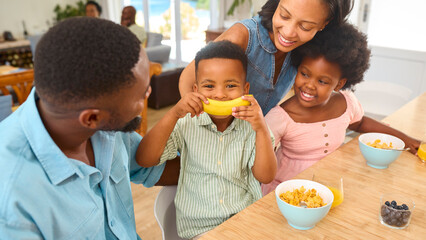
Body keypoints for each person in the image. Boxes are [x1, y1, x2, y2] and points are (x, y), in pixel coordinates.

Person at [0, 17, 179, 239]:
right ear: (92, 118)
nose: (148, 93)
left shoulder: (105, 126)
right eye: (142, 94)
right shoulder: (11, 203)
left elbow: (150, 166)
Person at [137, 40, 277, 239]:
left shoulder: (253, 126)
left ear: (245, 90)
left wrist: (261, 129)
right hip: (199, 229)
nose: (220, 95)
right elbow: (144, 159)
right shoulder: (186, 122)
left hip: (245, 222)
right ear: (196, 90)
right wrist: (174, 113)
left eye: (230, 85)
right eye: (209, 86)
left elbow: (266, 176)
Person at [261, 22, 421, 195]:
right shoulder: (280, 117)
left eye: (322, 81)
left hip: (329, 186)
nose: (309, 85)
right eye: (305, 74)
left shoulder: (346, 102)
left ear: (339, 84)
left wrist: (408, 140)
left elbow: (360, 124)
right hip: (287, 192)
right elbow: (261, 163)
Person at [179, 0, 354, 115]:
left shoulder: (307, 51)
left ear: (324, 24)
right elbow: (187, 79)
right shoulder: (243, 36)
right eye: (284, 16)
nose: (288, 32)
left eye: (306, 27)